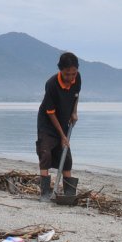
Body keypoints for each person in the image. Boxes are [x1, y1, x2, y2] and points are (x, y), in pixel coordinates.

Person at [35, 52, 81, 201]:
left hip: (63, 120)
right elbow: (50, 113)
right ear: (60, 70)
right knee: (46, 153)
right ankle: (45, 193)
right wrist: (62, 136)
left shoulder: (77, 78)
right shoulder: (52, 84)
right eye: (67, 74)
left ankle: (68, 192)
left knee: (66, 156)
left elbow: (76, 95)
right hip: (48, 123)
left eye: (73, 74)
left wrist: (74, 112)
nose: (71, 78)